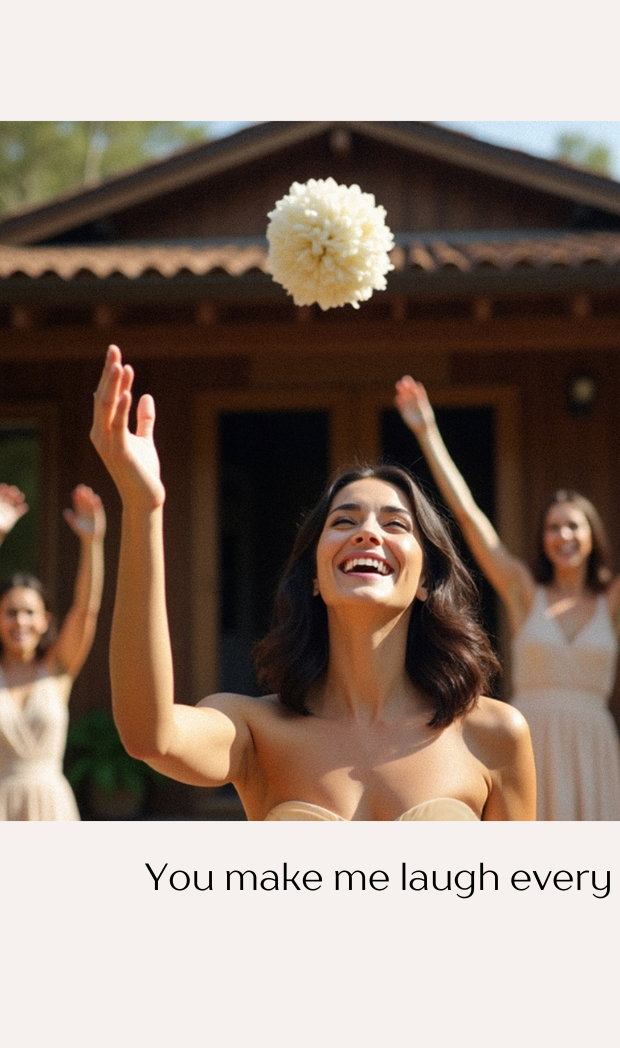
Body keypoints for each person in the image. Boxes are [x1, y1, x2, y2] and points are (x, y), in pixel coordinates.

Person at [91, 346, 534, 820]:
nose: (368, 532)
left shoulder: (495, 734)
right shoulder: (255, 729)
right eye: (344, 521)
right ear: (316, 579)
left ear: (425, 579)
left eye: (395, 523)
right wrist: (142, 508)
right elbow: (149, 736)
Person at [392, 376, 620, 820]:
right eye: (553, 527)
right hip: (530, 741)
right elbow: (469, 517)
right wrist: (427, 431)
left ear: (592, 536)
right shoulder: (524, 593)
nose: (563, 536)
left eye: (573, 526)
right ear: (543, 539)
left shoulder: (614, 603)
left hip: (592, 748)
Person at [0, 481, 104, 820]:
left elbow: (86, 609)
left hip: (50, 809)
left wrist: (92, 542)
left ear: (46, 621)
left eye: (30, 613)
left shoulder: (59, 669)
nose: (21, 621)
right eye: (11, 613)